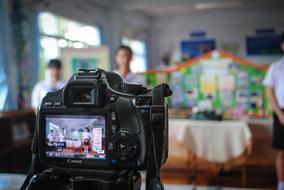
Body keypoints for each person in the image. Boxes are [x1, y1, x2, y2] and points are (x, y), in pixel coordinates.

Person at [263, 32, 284, 190]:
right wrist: (280, 114)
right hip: (281, 113)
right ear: (282, 45)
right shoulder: (276, 67)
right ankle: (281, 184)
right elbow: (269, 92)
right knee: (281, 152)